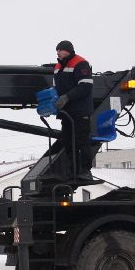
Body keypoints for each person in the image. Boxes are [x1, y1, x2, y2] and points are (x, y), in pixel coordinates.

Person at [45, 40, 97, 179]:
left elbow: (85, 86)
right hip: (66, 113)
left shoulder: (80, 63)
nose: (58, 53)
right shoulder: (58, 67)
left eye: (60, 50)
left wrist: (67, 97)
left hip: (80, 112)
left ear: (68, 50)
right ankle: (72, 172)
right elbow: (56, 88)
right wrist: (51, 102)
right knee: (68, 143)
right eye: (57, 51)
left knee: (82, 141)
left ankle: (85, 171)